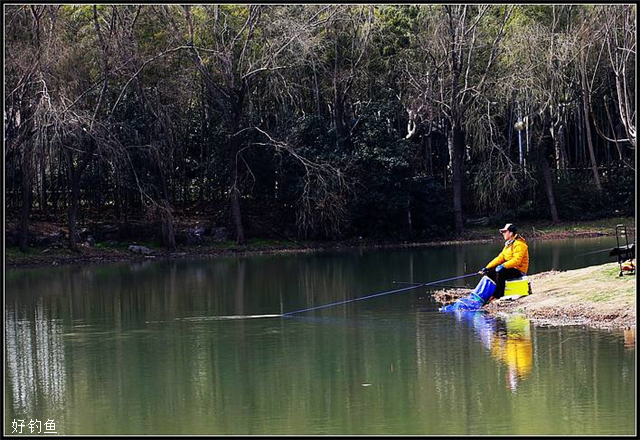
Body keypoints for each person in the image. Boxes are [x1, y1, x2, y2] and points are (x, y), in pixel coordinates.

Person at [479, 223, 529, 301]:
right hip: (510, 268)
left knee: (501, 272)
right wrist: (487, 267)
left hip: (519, 270)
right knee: (490, 272)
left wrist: (503, 266)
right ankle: (489, 293)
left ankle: (498, 295)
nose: (503, 233)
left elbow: (517, 261)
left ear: (511, 233)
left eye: (505, 231)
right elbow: (500, 258)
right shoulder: (508, 245)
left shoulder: (520, 244)